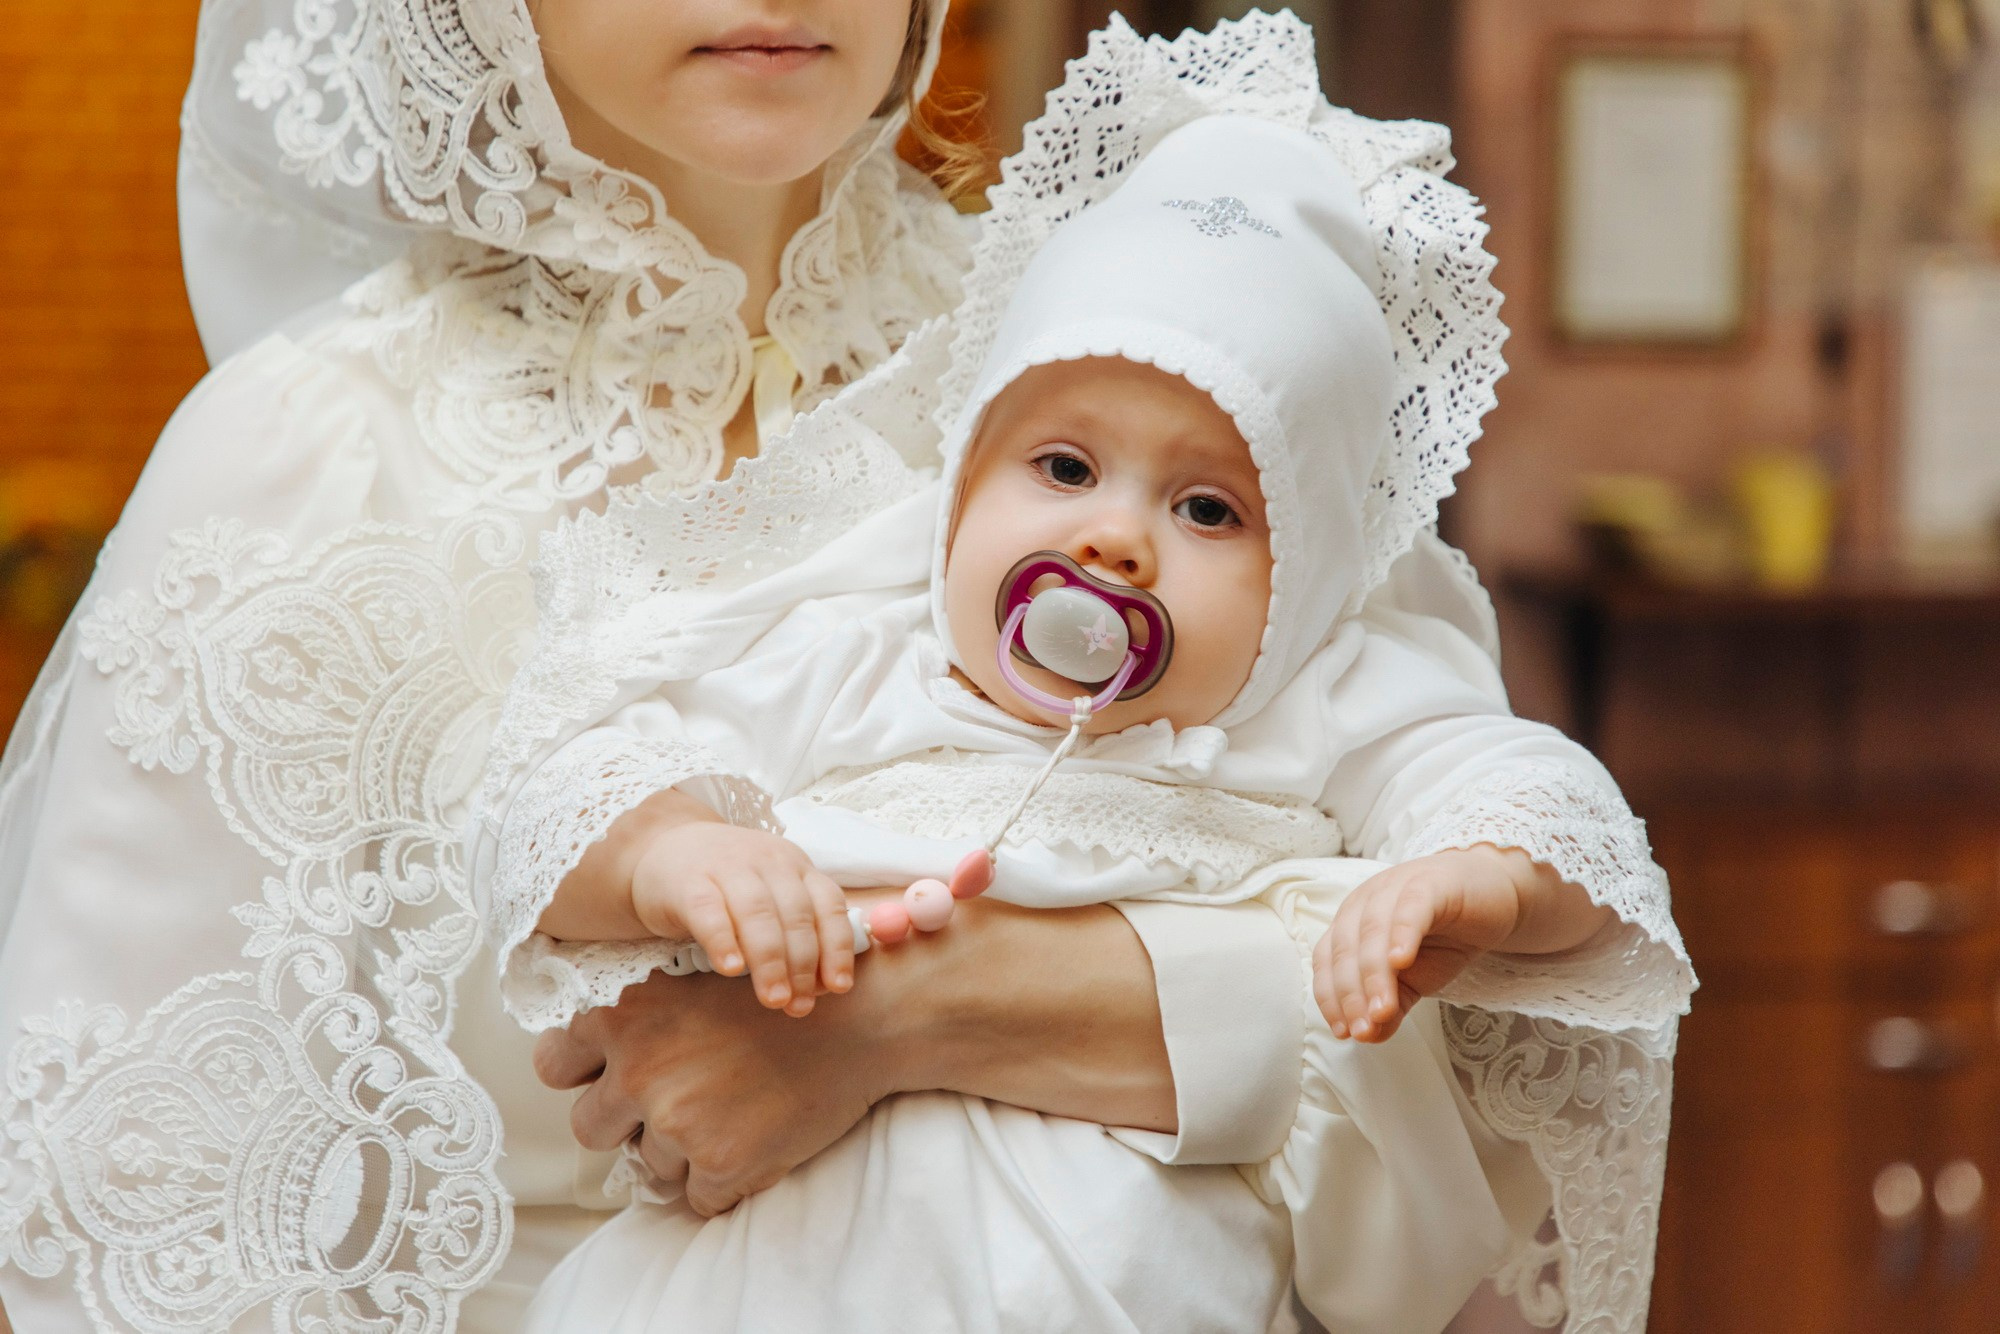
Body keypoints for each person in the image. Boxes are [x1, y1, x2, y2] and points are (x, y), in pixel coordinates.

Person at [0, 5, 1685, 1332]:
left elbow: (1491, 1000)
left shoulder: (1139, 349)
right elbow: (134, 1225)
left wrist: (890, 1022)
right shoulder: (304, 464)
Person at [490, 19, 1693, 1331]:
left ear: (1307, 583)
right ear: (957, 494)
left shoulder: (1319, 697)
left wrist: (1480, 880)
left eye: (1208, 509)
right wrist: (670, 850)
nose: (1114, 537)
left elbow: (1541, 804)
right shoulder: (857, 651)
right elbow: (567, 779)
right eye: (1063, 468)